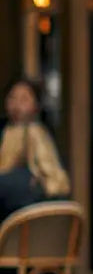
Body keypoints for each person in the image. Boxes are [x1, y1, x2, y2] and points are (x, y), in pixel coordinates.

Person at [0, 77, 70, 222]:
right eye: (12, 98)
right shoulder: (3, 133)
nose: (17, 105)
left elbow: (58, 185)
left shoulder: (43, 136)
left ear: (36, 105)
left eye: (24, 99)